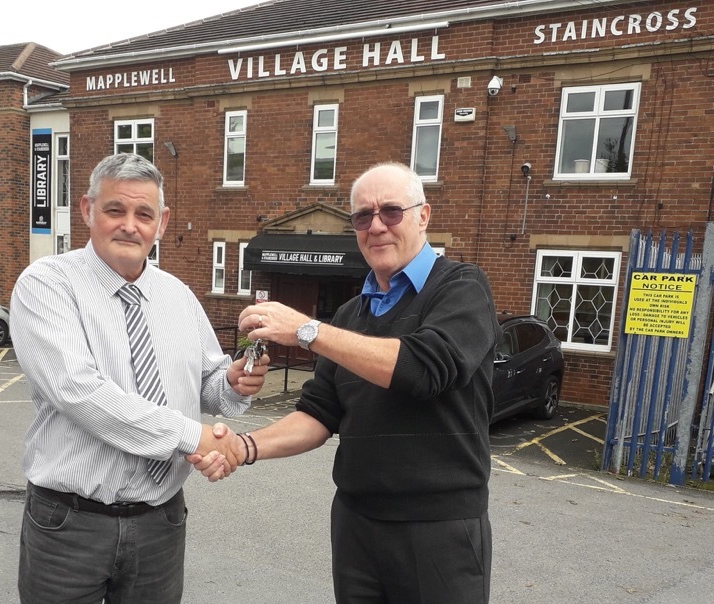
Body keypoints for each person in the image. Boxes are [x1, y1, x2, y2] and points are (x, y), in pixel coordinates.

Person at [191, 161, 501, 603]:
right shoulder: (351, 315)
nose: (376, 226)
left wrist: (305, 330)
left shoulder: (462, 287)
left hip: (438, 530)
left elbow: (422, 368)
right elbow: (319, 413)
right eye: (362, 216)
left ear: (424, 216)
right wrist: (244, 447)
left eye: (391, 211)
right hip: (357, 525)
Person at [10, 153, 268, 603]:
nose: (130, 225)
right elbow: (80, 392)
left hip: (159, 524)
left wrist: (231, 382)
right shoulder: (46, 284)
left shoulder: (179, 296)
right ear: (89, 211)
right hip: (70, 525)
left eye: (143, 214)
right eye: (115, 210)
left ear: (162, 223)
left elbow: (205, 385)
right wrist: (196, 438)